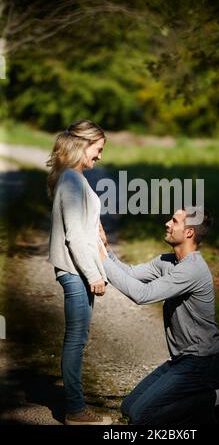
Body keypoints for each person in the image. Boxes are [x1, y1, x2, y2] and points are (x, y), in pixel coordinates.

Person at [98, 207, 219, 426]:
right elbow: (130, 273)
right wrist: (106, 251)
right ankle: (200, 403)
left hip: (205, 362)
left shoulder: (192, 270)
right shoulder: (168, 261)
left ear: (189, 233)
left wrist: (101, 260)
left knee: (142, 417)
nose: (167, 223)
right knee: (128, 408)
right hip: (183, 360)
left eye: (174, 221)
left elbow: (142, 294)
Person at [47, 119, 112, 425]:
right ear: (83, 145)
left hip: (78, 271)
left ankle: (76, 407)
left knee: (79, 337)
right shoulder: (72, 180)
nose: (99, 156)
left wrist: (97, 227)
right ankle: (75, 411)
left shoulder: (75, 178)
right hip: (75, 272)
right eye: (97, 150)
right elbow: (72, 236)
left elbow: (80, 222)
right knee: (76, 340)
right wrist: (94, 275)